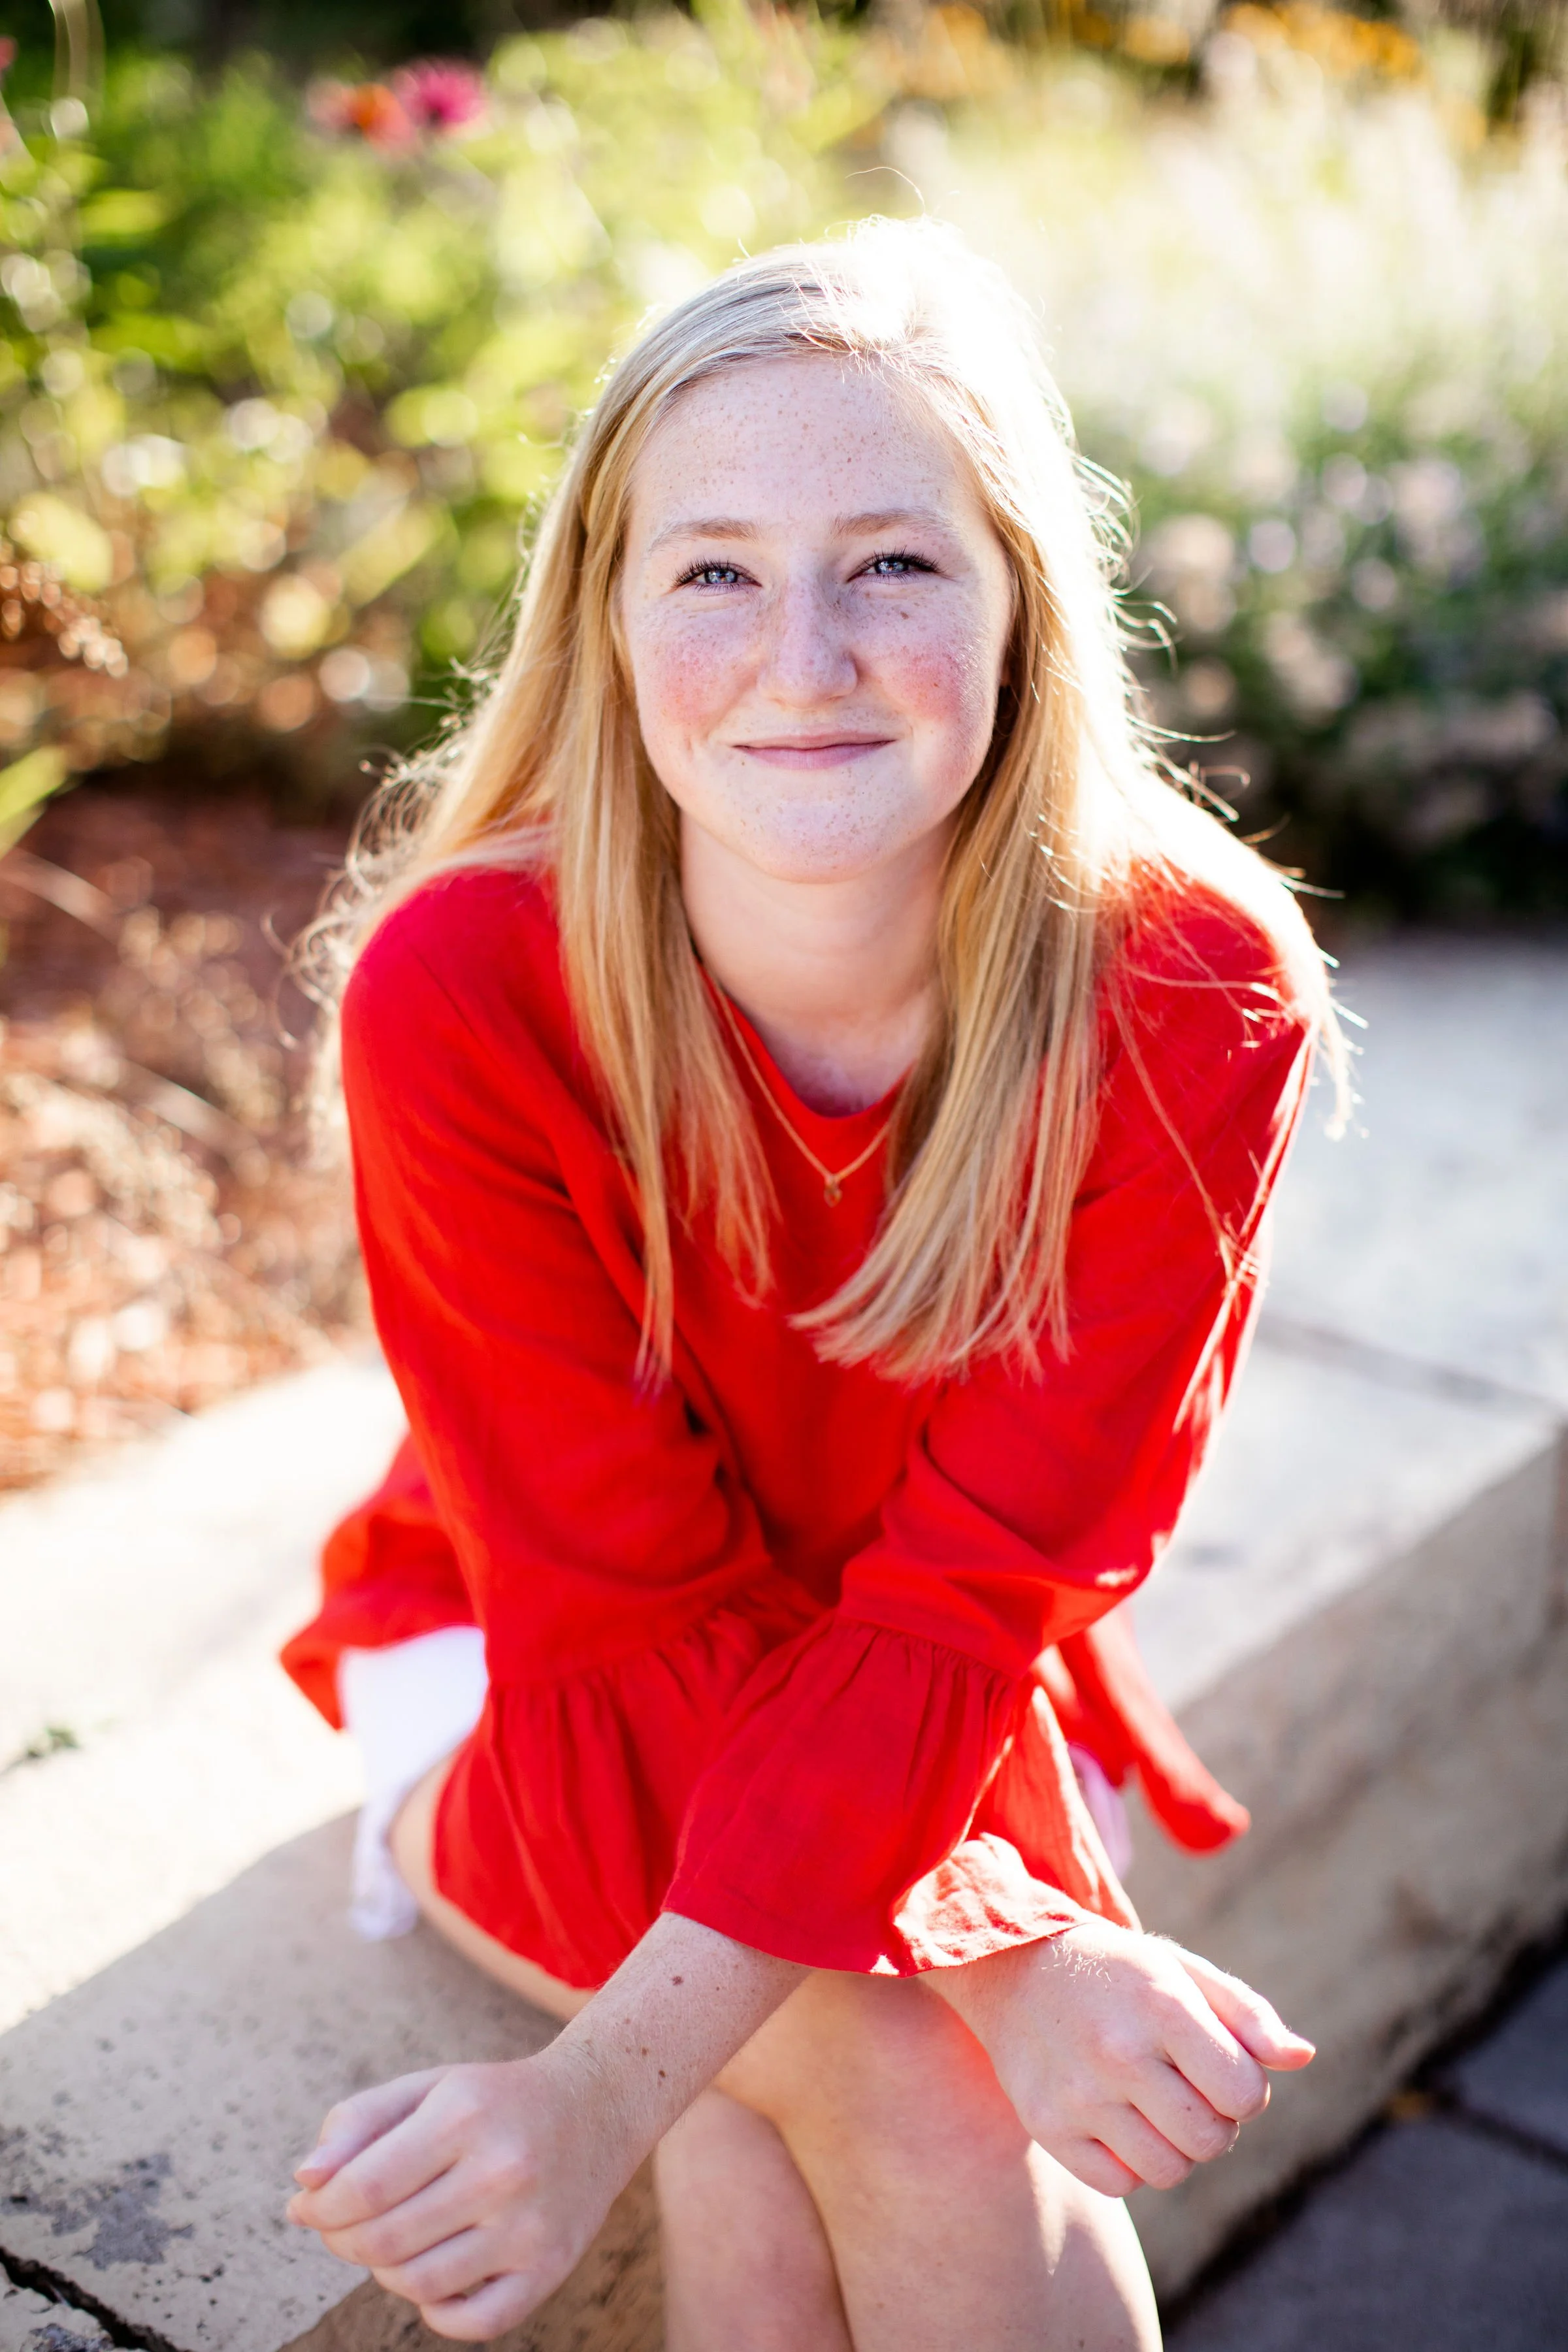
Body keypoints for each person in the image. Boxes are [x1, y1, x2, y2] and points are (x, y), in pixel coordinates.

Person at [281, 219, 1335, 2350]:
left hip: (918, 1664)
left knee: (759, 2190)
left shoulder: (1186, 987)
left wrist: (635, 2077)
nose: (805, 655)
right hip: (543, 1662)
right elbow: (626, 1605)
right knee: (935, 2110)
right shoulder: (466, 992)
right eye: (714, 571)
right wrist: (1006, 1956)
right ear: (608, 613)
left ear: (1025, 602)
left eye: (893, 564)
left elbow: (977, 1592)